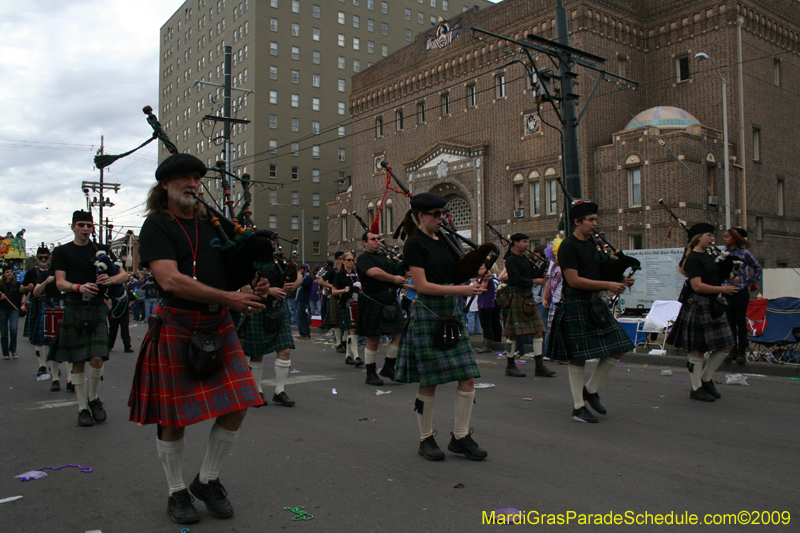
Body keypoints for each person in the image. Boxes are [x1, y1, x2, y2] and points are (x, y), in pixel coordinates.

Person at [128, 153, 269, 524]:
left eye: (196, 177)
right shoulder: (157, 226)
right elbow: (170, 280)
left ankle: (207, 480)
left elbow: (232, 273)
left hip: (217, 325)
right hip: (177, 323)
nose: (192, 184)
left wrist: (254, 279)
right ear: (165, 186)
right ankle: (176, 491)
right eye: (184, 178)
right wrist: (230, 299)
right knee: (174, 417)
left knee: (239, 403)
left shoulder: (214, 226)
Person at [395, 192, 488, 461]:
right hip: (428, 311)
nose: (441, 217)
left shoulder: (445, 239)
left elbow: (453, 273)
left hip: (451, 311)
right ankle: (425, 439)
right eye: (435, 214)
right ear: (420, 216)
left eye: (443, 213)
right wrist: (461, 289)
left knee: (468, 376)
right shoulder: (414, 244)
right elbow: (422, 285)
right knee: (429, 381)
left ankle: (460, 437)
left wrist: (476, 273)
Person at [546, 201, 635, 423]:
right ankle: (578, 407)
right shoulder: (568, 246)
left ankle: (591, 389)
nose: (595, 224)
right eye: (591, 220)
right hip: (576, 304)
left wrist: (620, 279)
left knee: (620, 347)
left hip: (595, 305)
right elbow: (574, 280)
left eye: (596, 219)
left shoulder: (594, 244)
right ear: (577, 222)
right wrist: (607, 285)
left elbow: (598, 273)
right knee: (578, 358)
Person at [49, 210, 128, 426]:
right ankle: (82, 407)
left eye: (89, 225)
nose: (85, 229)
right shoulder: (62, 251)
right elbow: (60, 282)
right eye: (81, 225)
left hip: (96, 306)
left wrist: (110, 280)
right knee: (77, 360)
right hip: (75, 305)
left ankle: (94, 399)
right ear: (73, 227)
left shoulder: (100, 250)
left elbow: (124, 275)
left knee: (97, 357)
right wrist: (78, 286)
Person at [666, 223, 737, 402]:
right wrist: (723, 289)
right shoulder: (693, 259)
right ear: (698, 237)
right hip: (698, 304)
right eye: (709, 235)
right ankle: (696, 388)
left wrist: (729, 275)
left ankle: (706, 379)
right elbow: (697, 285)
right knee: (697, 349)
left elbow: (714, 274)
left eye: (713, 235)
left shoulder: (710, 256)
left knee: (727, 343)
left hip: (712, 303)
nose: (712, 239)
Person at [238, 237, 301, 408]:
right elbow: (244, 286)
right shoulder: (248, 261)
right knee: (257, 353)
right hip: (258, 309)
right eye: (266, 241)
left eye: (271, 241)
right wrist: (269, 290)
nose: (270, 244)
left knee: (285, 350)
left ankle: (279, 392)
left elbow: (298, 274)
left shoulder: (278, 259)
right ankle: (257, 391)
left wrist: (293, 284)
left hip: (277, 310)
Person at [356, 232, 408, 386]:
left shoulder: (385, 258)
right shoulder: (364, 258)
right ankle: (371, 374)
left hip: (390, 300)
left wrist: (404, 268)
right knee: (374, 337)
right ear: (365, 242)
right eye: (373, 239)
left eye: (378, 239)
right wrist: (394, 278)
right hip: (373, 301)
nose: (377, 241)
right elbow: (373, 273)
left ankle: (388, 367)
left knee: (399, 334)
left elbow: (395, 271)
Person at [502, 233, 554, 378]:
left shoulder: (525, 258)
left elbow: (532, 272)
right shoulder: (511, 260)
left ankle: (539, 366)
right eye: (524, 242)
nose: (527, 245)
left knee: (538, 330)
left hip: (529, 298)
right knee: (512, 334)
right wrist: (534, 281)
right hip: (518, 297)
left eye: (527, 242)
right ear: (516, 243)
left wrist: (544, 268)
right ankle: (510, 365)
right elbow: (514, 279)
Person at [722, 227, 762, 364]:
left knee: (741, 321)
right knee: (730, 321)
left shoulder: (744, 253)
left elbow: (757, 267)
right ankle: (732, 350)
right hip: (728, 290)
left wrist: (751, 284)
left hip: (740, 291)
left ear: (734, 239)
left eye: (727, 236)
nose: (724, 239)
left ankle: (741, 351)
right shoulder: (724, 253)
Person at [21, 247, 60, 377]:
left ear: (49, 258)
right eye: (41, 257)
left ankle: (53, 364)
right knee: (39, 339)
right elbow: (22, 289)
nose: (43, 259)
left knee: (52, 338)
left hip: (51, 304)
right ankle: (42, 365)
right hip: (36, 305)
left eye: (46, 257)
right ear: (37, 258)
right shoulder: (31, 272)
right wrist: (27, 288)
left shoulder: (55, 272)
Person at [332, 252, 363, 366]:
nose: (351, 262)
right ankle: (357, 356)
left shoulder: (356, 274)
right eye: (349, 260)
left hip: (356, 302)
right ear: (344, 261)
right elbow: (333, 291)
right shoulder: (339, 274)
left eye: (353, 260)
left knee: (352, 329)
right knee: (352, 329)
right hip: (345, 303)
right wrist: (344, 290)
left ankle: (348, 356)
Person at [542, 238, 564, 361]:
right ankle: (548, 353)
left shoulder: (567, 266)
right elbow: (549, 281)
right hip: (554, 301)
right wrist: (545, 298)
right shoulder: (554, 266)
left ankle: (561, 354)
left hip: (563, 302)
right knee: (550, 329)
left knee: (562, 330)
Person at [319, 253, 345, 351]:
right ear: (336, 260)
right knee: (336, 322)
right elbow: (321, 281)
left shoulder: (348, 271)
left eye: (344, 258)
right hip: (335, 297)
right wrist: (332, 286)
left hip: (347, 297)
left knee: (347, 322)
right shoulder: (332, 271)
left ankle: (344, 341)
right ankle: (338, 343)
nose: (342, 260)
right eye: (339, 259)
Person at [475, 262, 500, 353]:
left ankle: (488, 344)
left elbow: (482, 289)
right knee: (484, 324)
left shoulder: (486, 278)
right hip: (483, 303)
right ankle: (485, 342)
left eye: (482, 266)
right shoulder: (482, 278)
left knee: (487, 324)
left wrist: (476, 286)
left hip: (487, 304)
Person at [0, 266, 22, 359]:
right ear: (4, 274)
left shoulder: (17, 284)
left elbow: (23, 293)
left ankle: (13, 350)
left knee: (13, 329)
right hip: (2, 310)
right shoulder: (0, 285)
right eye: (7, 272)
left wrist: (23, 304)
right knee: (4, 332)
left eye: (11, 272)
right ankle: (5, 353)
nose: (9, 273)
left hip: (14, 309)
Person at [107, 283, 134, 353]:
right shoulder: (112, 293)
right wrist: (109, 306)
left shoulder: (127, 293)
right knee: (113, 330)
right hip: (114, 314)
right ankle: (109, 346)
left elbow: (134, 298)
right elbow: (104, 298)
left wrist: (128, 305)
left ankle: (127, 346)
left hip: (124, 314)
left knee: (125, 330)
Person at [295, 263, 313, 339]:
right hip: (299, 297)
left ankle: (304, 333)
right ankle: (305, 333)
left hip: (303, 298)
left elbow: (302, 283)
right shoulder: (304, 276)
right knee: (302, 315)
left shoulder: (308, 277)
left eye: (302, 268)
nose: (300, 270)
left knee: (301, 316)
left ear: (306, 270)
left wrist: (298, 277)